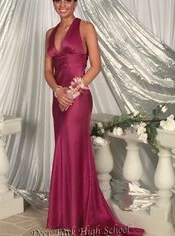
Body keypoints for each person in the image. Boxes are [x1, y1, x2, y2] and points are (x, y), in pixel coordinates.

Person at [44, 0, 145, 235]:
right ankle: (64, 214)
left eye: (67, 0)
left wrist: (73, 90)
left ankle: (81, 215)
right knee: (62, 150)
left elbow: (96, 66)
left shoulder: (86, 27)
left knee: (76, 152)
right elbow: (48, 71)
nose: (62, 5)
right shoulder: (49, 33)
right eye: (57, 0)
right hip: (58, 100)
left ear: (75, 2)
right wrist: (58, 90)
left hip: (78, 100)